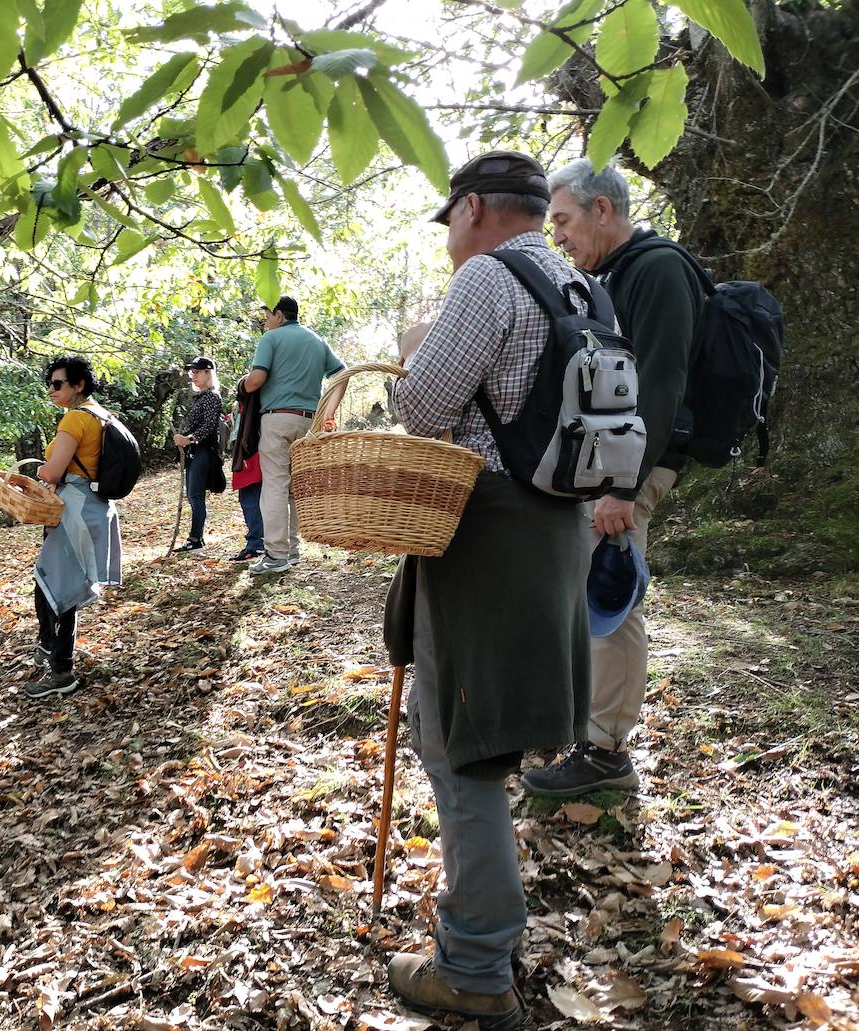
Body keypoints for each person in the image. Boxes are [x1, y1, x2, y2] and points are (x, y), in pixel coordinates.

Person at [381, 151, 592, 1029]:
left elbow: (422, 408)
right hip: (555, 531)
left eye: (450, 225)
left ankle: (473, 966)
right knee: (490, 736)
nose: (450, 243)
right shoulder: (582, 286)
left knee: (461, 743)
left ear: (471, 210)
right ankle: (485, 942)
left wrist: (409, 353)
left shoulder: (486, 280)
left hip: (486, 530)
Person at [520, 157, 705, 798]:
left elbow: (659, 381)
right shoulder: (614, 275)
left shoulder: (658, 270)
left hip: (632, 470)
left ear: (603, 210)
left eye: (564, 220)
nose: (559, 236)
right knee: (585, 596)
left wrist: (623, 486)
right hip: (606, 466)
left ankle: (604, 753)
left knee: (610, 600)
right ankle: (583, 726)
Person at [30, 355, 123, 700]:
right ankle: (50, 648)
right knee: (54, 581)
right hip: (95, 507)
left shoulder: (74, 420)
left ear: (78, 384)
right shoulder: (101, 414)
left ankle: (61, 669)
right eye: (50, 383)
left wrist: (40, 472)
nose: (51, 390)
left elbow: (53, 472)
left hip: (75, 509)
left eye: (58, 383)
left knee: (57, 585)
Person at [241, 295, 345, 574]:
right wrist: (329, 413)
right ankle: (293, 551)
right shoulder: (317, 340)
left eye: (267, 316)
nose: (265, 322)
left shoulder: (271, 339)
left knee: (274, 485)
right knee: (293, 489)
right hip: (309, 423)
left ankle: (276, 556)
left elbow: (256, 380)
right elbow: (342, 375)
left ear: (278, 315)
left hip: (277, 419)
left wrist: (244, 384)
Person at [170, 356, 225, 554]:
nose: (192, 375)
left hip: (203, 451)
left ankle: (196, 540)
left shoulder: (211, 396)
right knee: (193, 496)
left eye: (196, 371)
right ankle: (195, 539)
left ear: (208, 373)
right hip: (196, 452)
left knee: (196, 496)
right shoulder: (203, 396)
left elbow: (210, 427)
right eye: (191, 372)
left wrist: (189, 439)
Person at [228, 376, 264, 562]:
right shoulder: (249, 404)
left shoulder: (253, 402)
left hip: (252, 454)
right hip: (249, 453)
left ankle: (256, 545)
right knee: (251, 499)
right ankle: (257, 543)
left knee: (252, 499)